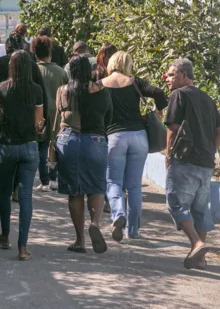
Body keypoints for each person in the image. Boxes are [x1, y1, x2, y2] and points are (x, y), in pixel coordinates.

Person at [164, 58, 220, 270]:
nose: (167, 79)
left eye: (171, 75)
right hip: (205, 163)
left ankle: (197, 243)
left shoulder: (178, 95)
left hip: (185, 160)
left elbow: (172, 128)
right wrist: (210, 150)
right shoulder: (207, 99)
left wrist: (168, 154)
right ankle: (199, 258)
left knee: (176, 203)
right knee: (200, 209)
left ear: (184, 75)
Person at [101, 51, 168, 242]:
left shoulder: (102, 84)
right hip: (139, 137)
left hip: (115, 137)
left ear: (111, 63)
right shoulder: (135, 82)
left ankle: (117, 214)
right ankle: (133, 231)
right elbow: (159, 92)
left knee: (114, 181)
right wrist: (158, 111)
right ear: (128, 64)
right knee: (134, 186)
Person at [54, 55, 112, 254]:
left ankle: (80, 240)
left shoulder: (63, 91)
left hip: (69, 141)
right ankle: (95, 223)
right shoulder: (102, 92)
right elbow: (108, 118)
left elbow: (59, 116)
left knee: (75, 190)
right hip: (95, 141)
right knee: (96, 187)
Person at [0, 33, 47, 190]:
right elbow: (42, 94)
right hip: (26, 116)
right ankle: (16, 187)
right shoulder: (31, 66)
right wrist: (43, 121)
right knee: (22, 148)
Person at [0, 51, 44, 261]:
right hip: (29, 147)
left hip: (7, 146)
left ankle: (5, 235)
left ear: (11, 66)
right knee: (25, 197)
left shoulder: (0, 89)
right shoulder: (36, 90)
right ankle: (23, 248)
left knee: (4, 192)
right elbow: (38, 124)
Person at [31, 36, 68, 192]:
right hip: (58, 113)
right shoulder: (60, 71)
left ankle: (44, 180)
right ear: (50, 52)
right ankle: (54, 178)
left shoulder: (33, 70)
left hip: (38, 112)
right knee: (55, 145)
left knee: (40, 145)